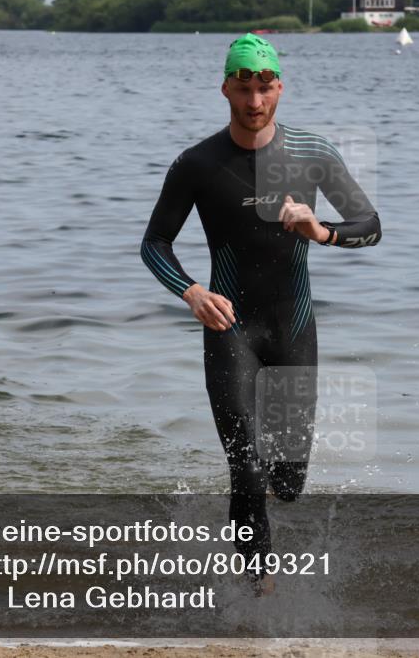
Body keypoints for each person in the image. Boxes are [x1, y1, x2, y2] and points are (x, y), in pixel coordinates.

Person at [140, 33, 381, 596]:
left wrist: (319, 231)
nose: (254, 102)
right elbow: (155, 244)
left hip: (292, 326)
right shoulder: (197, 163)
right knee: (245, 464)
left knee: (289, 480)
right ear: (226, 87)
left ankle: (262, 524)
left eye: (265, 88)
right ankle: (257, 595)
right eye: (244, 89)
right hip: (230, 328)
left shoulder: (312, 155)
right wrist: (191, 292)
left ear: (280, 88)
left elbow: (370, 228)